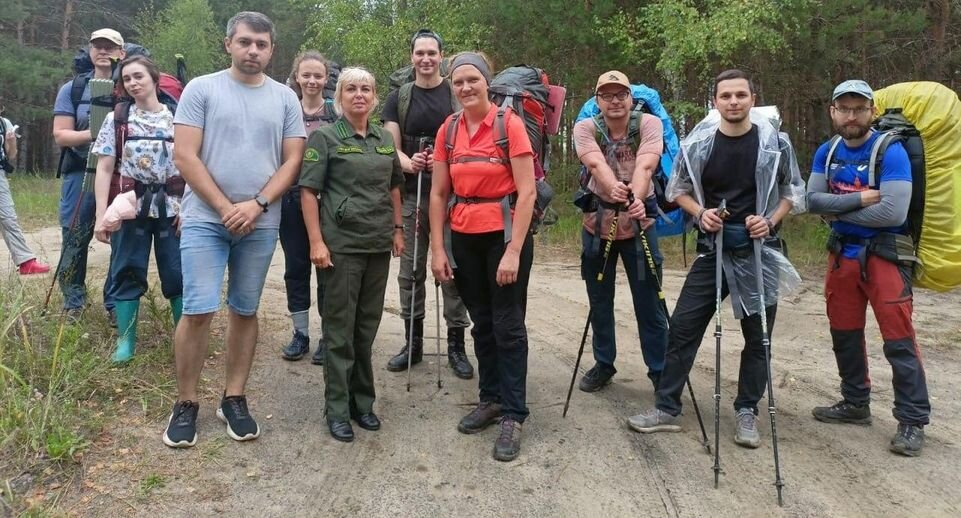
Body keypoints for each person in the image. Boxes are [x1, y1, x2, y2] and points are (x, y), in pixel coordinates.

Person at [628, 70, 805, 449]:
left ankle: (746, 411)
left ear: (753, 99)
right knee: (683, 328)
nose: (734, 102)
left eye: (741, 95)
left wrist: (770, 220)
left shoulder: (775, 143)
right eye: (726, 96)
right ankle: (666, 407)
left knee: (758, 337)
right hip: (714, 249)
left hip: (760, 250)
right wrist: (701, 212)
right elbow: (678, 190)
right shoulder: (700, 143)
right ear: (715, 102)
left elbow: (792, 191)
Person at [162, 11, 305, 448]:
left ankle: (234, 397)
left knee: (245, 308)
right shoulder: (201, 89)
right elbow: (186, 156)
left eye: (261, 45)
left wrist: (257, 204)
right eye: (244, 42)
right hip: (207, 218)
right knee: (199, 309)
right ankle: (186, 402)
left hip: (261, 221)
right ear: (228, 44)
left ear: (271, 50)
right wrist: (227, 207)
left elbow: (292, 160)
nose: (252, 51)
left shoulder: (285, 98)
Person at [807, 80, 929, 457]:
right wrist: (861, 198)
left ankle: (912, 419)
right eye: (844, 108)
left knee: (898, 339)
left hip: (886, 254)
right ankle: (855, 403)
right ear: (833, 112)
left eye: (859, 108)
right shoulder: (827, 152)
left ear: (872, 111)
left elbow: (893, 211)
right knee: (844, 332)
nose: (851, 115)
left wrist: (838, 206)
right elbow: (812, 201)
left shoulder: (890, 151)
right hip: (843, 253)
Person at [430, 52, 536, 462]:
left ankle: (513, 413)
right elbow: (439, 193)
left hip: (504, 236)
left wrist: (512, 252)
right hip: (463, 236)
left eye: (472, 79)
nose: (465, 88)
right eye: (458, 82)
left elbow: (526, 192)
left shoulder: (510, 125)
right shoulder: (449, 129)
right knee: (482, 323)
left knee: (508, 325)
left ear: (487, 83)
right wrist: (438, 248)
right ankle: (490, 398)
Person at [299, 67, 405, 443]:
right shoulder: (325, 138)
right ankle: (338, 409)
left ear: (375, 97)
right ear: (339, 97)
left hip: (377, 245)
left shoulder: (383, 139)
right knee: (339, 331)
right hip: (340, 247)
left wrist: (397, 229)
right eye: (351, 89)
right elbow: (308, 192)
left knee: (366, 330)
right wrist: (316, 242)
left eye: (366, 89)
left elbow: (394, 186)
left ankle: (364, 404)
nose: (359, 95)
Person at [382, 29, 473, 379]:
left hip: (453, 195)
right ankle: (413, 344)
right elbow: (390, 145)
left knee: (451, 267)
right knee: (411, 271)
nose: (425, 59)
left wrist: (444, 161)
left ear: (442, 55)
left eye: (432, 53)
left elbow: (470, 134)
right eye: (419, 53)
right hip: (411, 191)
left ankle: (456, 345)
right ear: (412, 57)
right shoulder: (398, 97)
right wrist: (409, 162)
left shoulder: (456, 92)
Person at [573, 70, 667, 393]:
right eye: (607, 95)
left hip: (641, 223)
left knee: (650, 301)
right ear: (597, 100)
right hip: (597, 224)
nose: (614, 101)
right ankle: (603, 363)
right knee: (600, 299)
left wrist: (635, 199)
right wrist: (618, 191)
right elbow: (596, 165)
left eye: (620, 94)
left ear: (630, 97)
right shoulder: (586, 128)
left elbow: (646, 164)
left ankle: (659, 370)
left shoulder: (649, 125)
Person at [90, 55, 183, 363]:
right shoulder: (117, 118)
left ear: (154, 79)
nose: (133, 83)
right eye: (127, 79)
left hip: (172, 207)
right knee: (126, 270)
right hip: (129, 206)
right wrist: (101, 215)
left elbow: (194, 164)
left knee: (177, 273)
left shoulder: (178, 117)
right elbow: (104, 168)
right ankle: (125, 342)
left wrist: (190, 208)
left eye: (138, 76)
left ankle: (184, 341)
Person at [52, 28, 125, 320]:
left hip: (120, 176)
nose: (103, 51)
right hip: (79, 173)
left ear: (121, 52)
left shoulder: (129, 85)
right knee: (75, 236)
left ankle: (115, 303)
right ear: (90, 50)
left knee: (121, 238)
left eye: (110, 47)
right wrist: (94, 134)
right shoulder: (73, 89)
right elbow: (60, 135)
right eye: (98, 46)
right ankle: (73, 303)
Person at [279, 51, 336, 364]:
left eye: (318, 76)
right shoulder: (286, 111)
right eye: (307, 75)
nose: (312, 81)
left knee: (329, 267)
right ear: (297, 77)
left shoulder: (335, 112)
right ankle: (300, 334)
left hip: (328, 200)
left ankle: (329, 336)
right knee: (295, 267)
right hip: (291, 197)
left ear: (326, 79)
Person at [1, 110, 50, 275]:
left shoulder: (4, 123)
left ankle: (25, 261)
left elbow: (11, 155)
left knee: (8, 218)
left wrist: (11, 141)